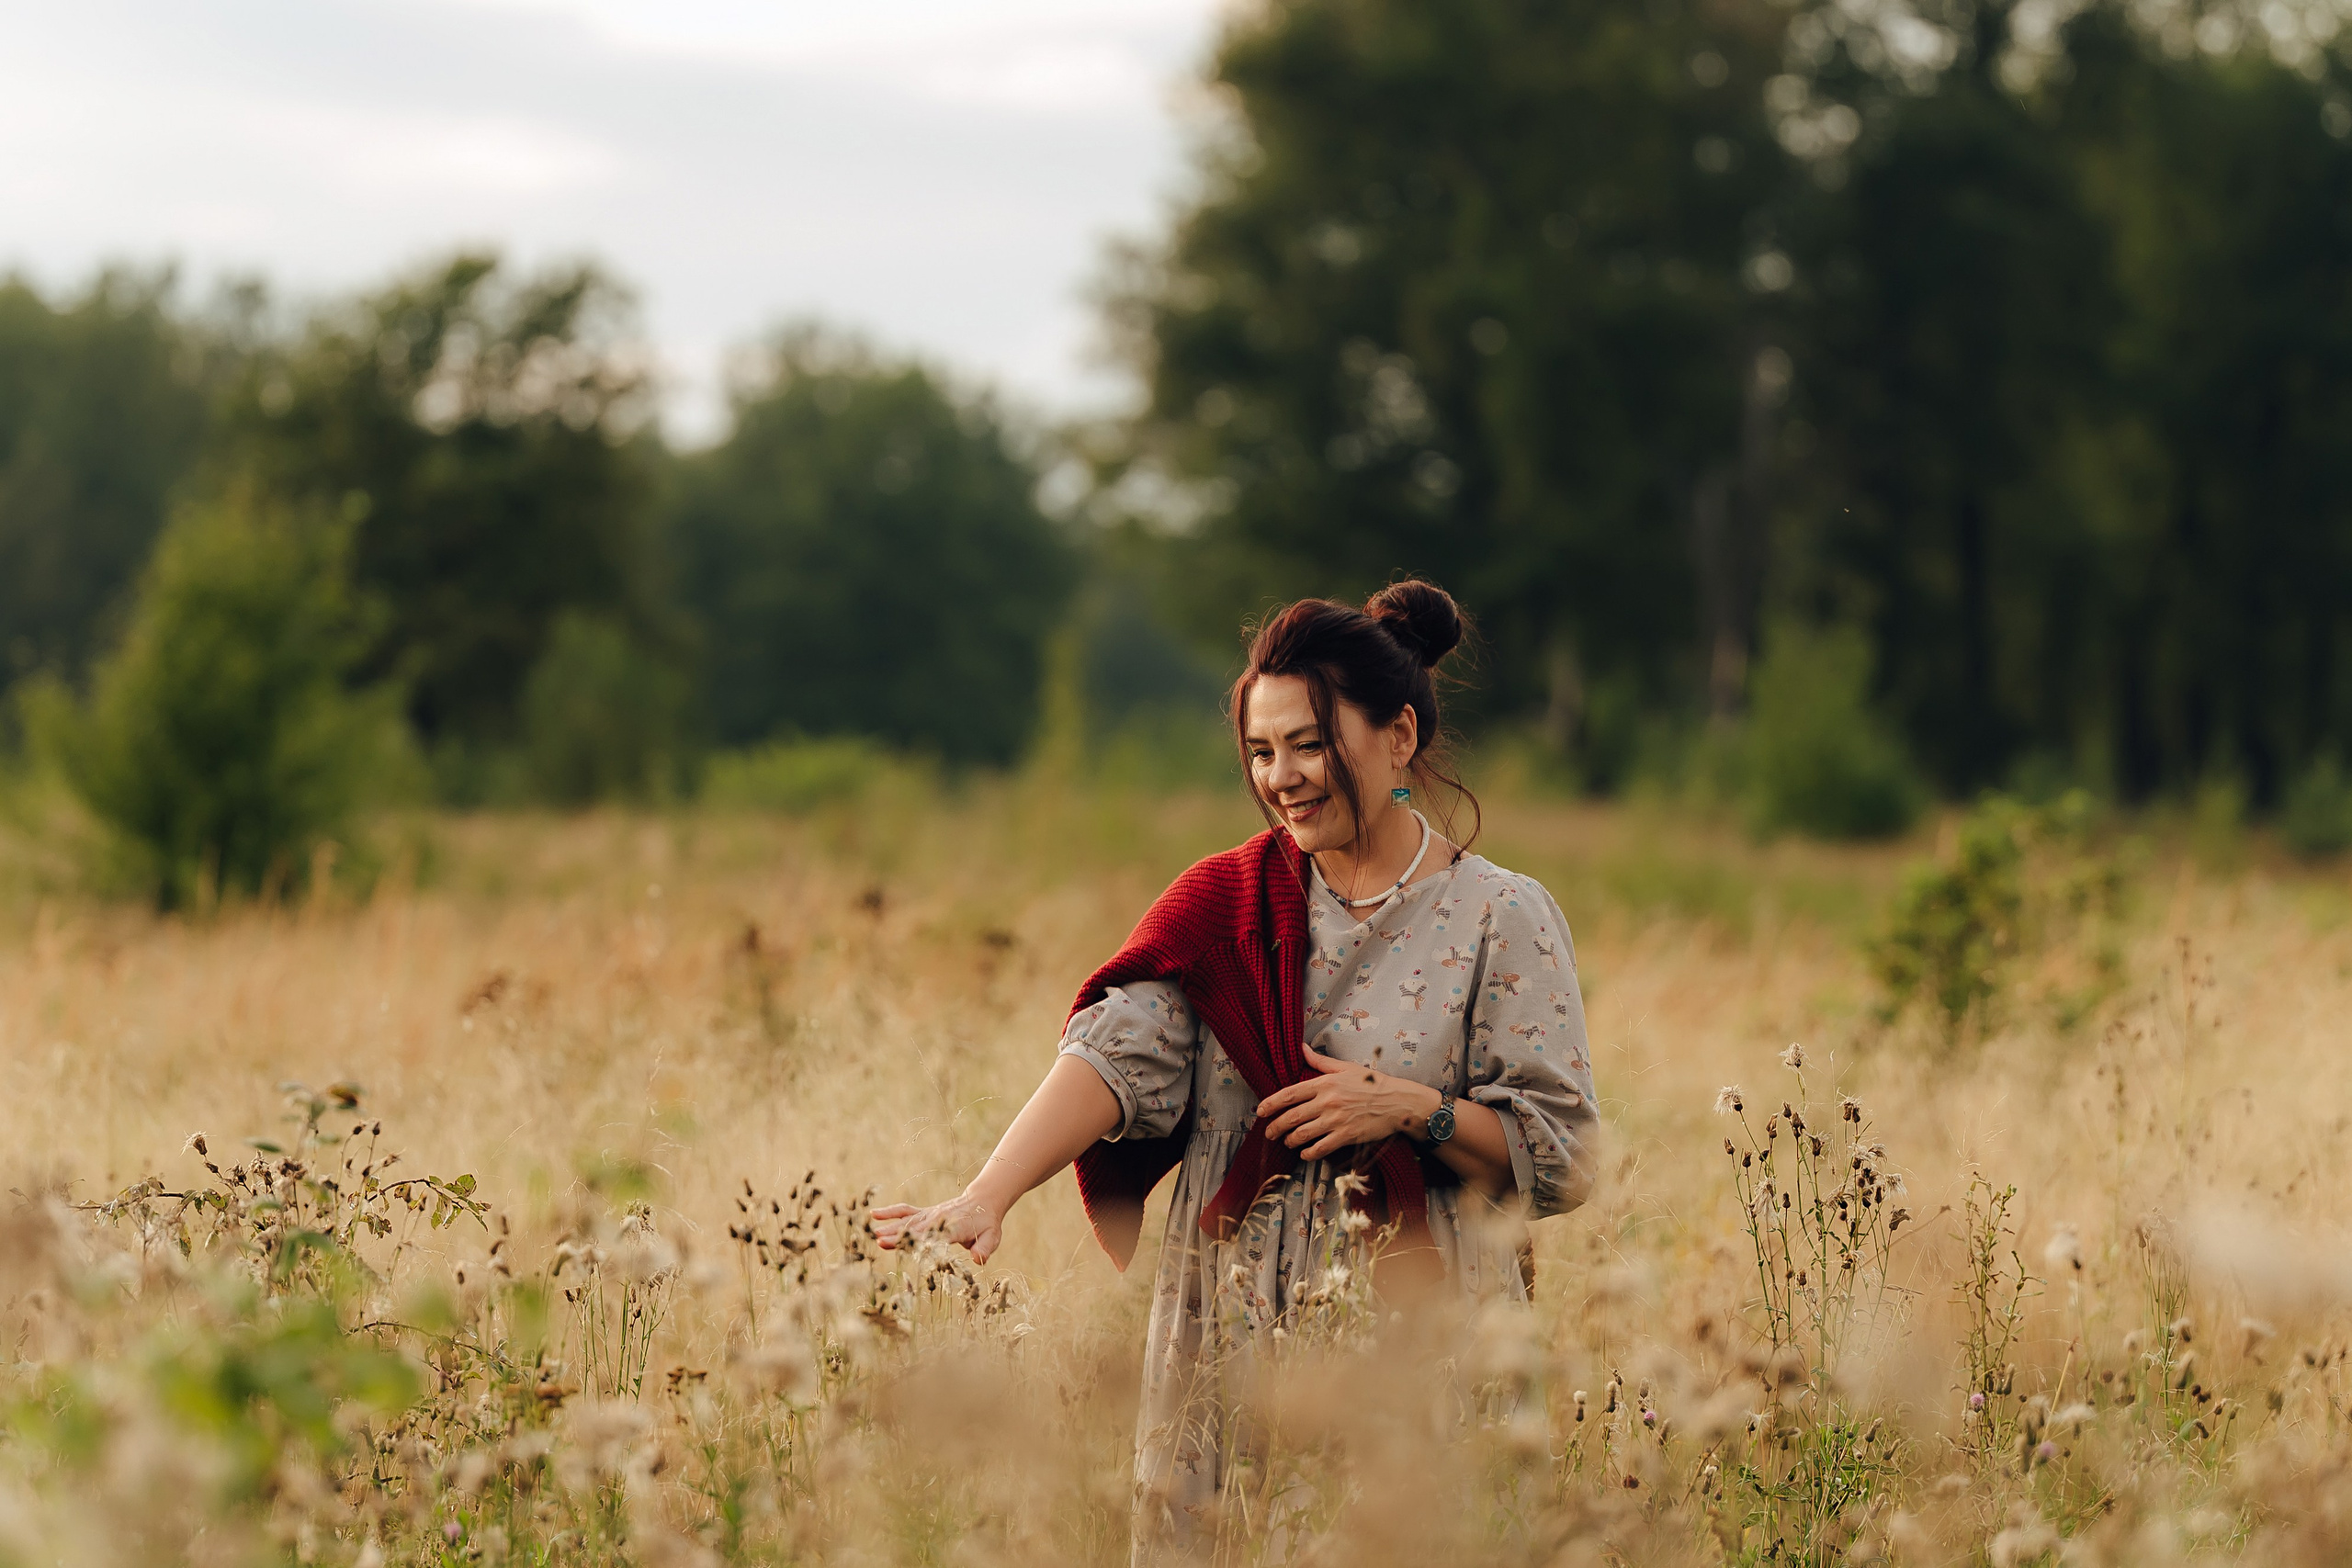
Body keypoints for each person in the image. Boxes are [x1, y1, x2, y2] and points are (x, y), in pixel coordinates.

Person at [874, 581, 1599, 1559]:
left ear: (1397, 739)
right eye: (1261, 752)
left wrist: (1410, 1109)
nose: (1282, 776)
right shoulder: (1229, 904)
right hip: (1228, 1335)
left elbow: (1562, 1156)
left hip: (1421, 1340)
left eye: (1308, 743)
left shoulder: (1498, 916)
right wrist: (986, 1195)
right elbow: (1119, 1050)